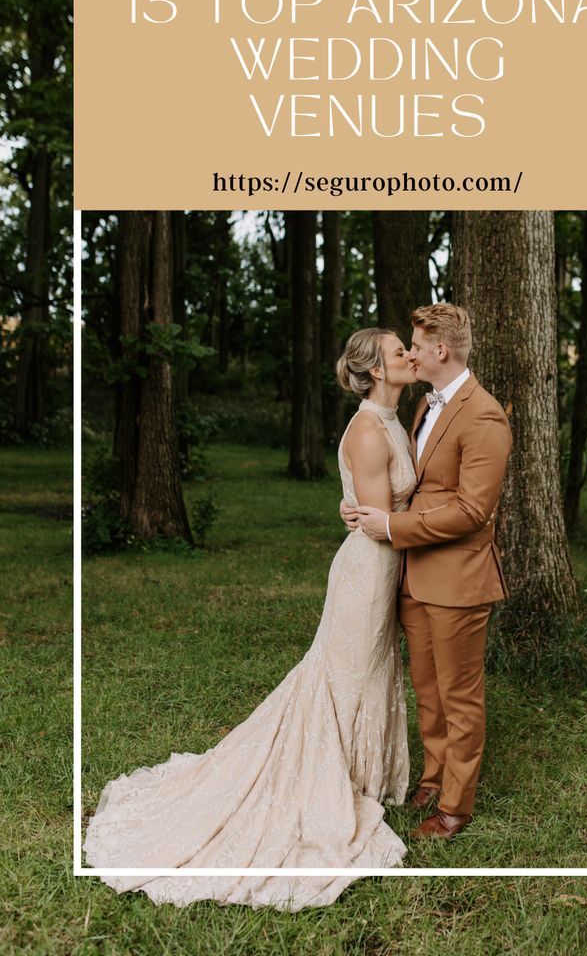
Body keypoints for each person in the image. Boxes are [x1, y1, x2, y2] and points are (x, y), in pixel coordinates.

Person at [83, 327, 417, 911]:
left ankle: (363, 775)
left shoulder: (393, 421)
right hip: (366, 576)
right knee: (348, 678)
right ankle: (333, 781)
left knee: (368, 674)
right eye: (398, 352)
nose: (409, 356)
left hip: (385, 569)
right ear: (377, 371)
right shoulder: (367, 431)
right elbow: (379, 522)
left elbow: (378, 506)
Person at [341, 303, 512, 841]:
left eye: (415, 344)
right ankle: (434, 776)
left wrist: (391, 526)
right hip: (414, 574)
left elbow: (471, 510)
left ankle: (455, 807)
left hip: (459, 578)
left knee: (460, 696)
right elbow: (410, 482)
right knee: (427, 688)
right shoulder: (420, 408)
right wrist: (358, 507)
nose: (411, 353)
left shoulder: (484, 415)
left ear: (440, 350)